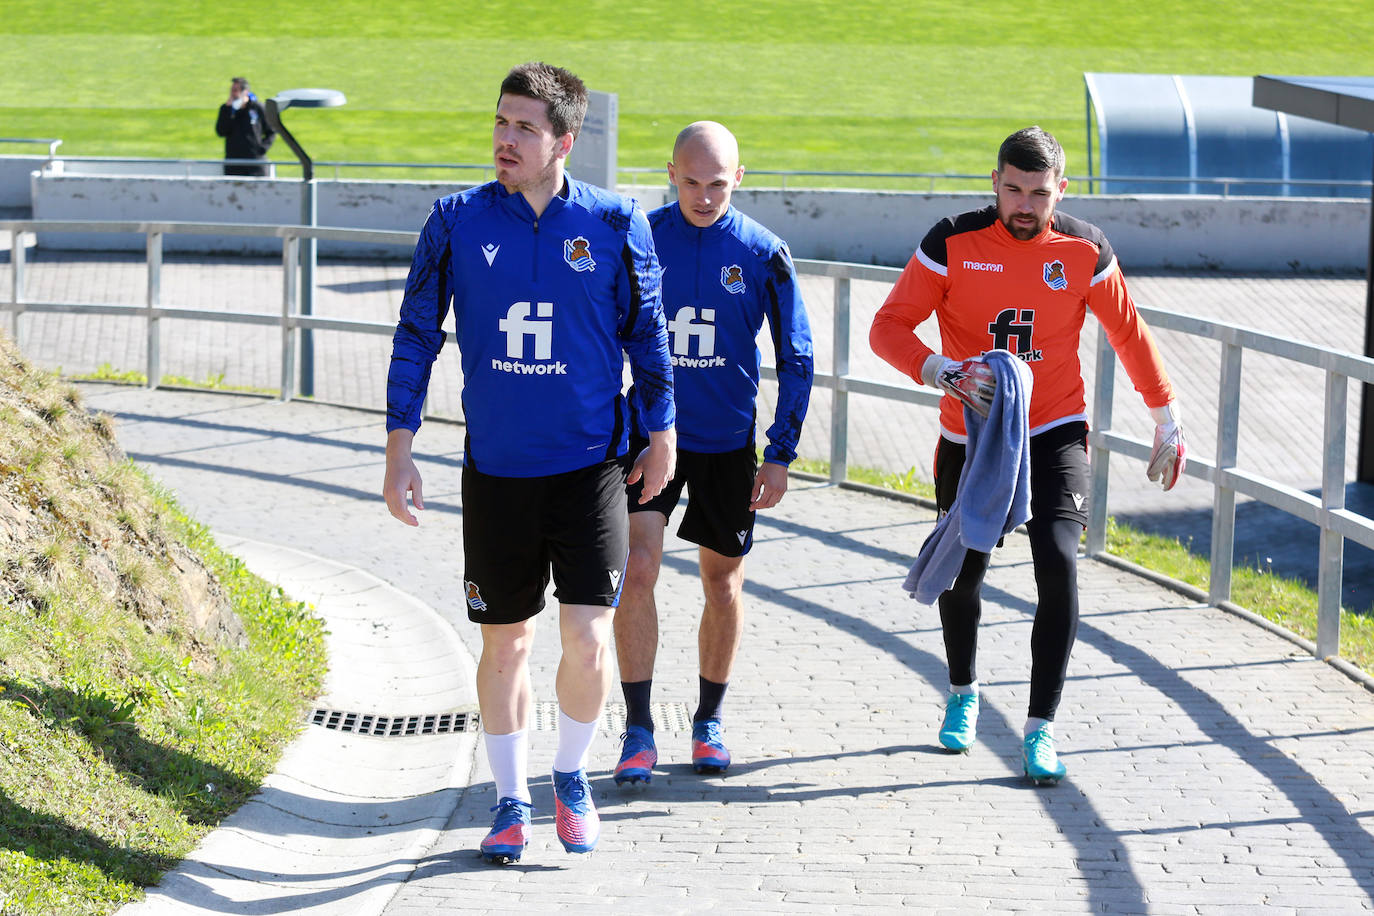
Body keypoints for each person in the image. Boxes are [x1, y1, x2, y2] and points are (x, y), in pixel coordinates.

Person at [383, 61, 676, 863]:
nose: (504, 140)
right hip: (497, 473)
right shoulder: (454, 220)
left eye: (524, 128)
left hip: (589, 471)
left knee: (587, 638)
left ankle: (570, 778)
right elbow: (416, 334)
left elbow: (647, 336)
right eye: (500, 122)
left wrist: (662, 432)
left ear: (563, 142)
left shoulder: (618, 224)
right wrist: (399, 444)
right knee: (505, 644)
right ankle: (510, 800)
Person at [869, 126, 1186, 786]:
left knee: (1060, 563)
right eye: (1012, 189)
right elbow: (887, 328)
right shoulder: (951, 241)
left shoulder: (1084, 249)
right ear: (994, 182)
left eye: (1038, 194)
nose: (1023, 204)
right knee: (964, 573)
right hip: (973, 433)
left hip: (1055, 429)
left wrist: (1167, 420)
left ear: (1060, 191)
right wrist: (941, 371)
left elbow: (1129, 332)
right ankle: (962, 691)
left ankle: (1041, 726)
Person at [612, 121, 813, 786]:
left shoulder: (764, 253)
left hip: (729, 444)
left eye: (718, 184)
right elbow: (597, 330)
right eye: (691, 181)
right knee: (637, 570)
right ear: (670, 173)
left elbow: (798, 356)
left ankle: (708, 721)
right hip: (651, 436)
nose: (703, 195)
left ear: (740, 179)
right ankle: (638, 729)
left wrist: (780, 454)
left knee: (722, 582)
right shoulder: (638, 237)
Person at [215, 77, 274, 177]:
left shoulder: (257, 108)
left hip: (255, 162)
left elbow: (271, 131)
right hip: (233, 162)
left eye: (235, 90)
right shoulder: (226, 109)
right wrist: (229, 111)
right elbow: (221, 131)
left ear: (245, 92)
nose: (233, 94)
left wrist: (262, 149)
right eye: (232, 90)